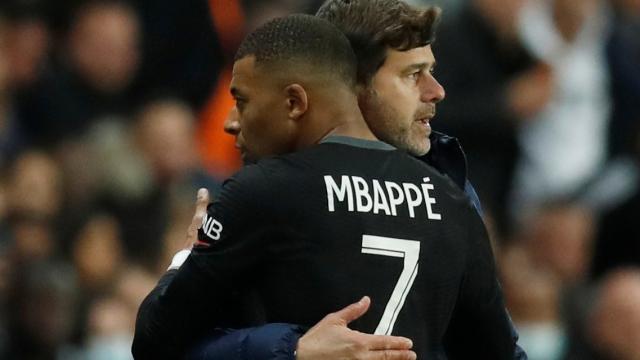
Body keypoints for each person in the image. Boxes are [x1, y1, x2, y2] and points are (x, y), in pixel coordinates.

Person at [133, 14, 516, 359]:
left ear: (297, 100)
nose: (233, 121)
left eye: (243, 101)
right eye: (413, 74)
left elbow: (157, 340)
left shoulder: (263, 191)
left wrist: (186, 259)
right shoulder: (452, 199)